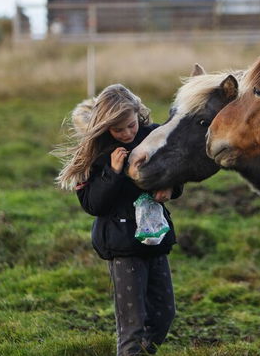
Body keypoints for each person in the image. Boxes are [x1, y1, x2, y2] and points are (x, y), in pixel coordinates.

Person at [56, 84, 182, 356]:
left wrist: (170, 188)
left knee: (165, 314)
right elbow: (93, 205)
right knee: (132, 326)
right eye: (118, 129)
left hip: (155, 239)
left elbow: (175, 173)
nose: (127, 133)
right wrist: (112, 172)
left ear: (139, 114)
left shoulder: (153, 137)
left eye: (131, 125)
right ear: (105, 126)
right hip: (122, 247)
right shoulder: (96, 153)